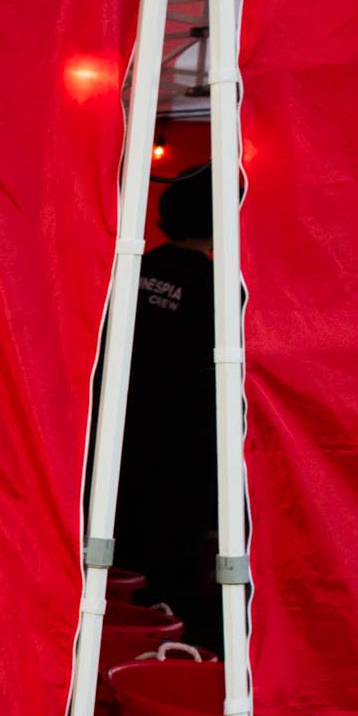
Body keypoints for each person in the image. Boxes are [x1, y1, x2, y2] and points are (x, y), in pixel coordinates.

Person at [116, 163, 221, 647]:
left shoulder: (129, 269)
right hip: (183, 455)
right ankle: (162, 652)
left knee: (122, 564)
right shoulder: (220, 289)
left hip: (118, 446)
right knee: (170, 575)